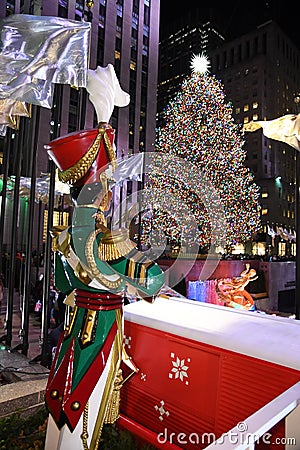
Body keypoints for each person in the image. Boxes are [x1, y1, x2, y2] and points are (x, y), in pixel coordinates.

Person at [44, 64, 165, 450]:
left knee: (62, 405)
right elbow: (144, 280)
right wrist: (151, 272)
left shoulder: (68, 234)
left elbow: (67, 282)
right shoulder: (102, 238)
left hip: (74, 328)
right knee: (84, 412)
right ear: (101, 192)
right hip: (95, 335)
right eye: (107, 184)